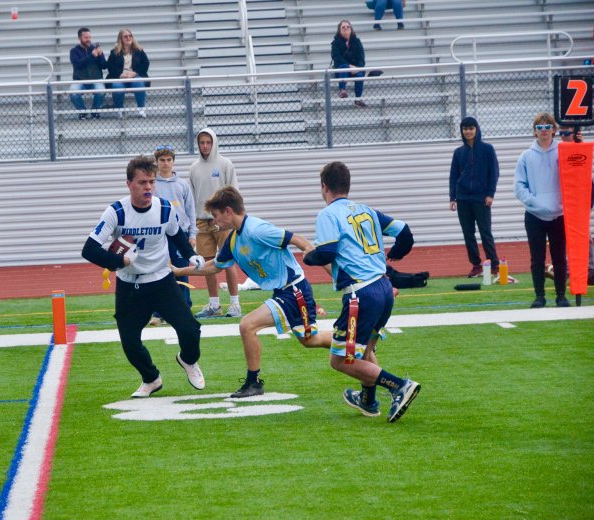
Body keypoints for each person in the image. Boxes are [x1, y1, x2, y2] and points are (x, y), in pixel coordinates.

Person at [172, 186, 331, 399]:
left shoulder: (257, 229)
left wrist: (330, 271)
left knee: (247, 325)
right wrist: (178, 271)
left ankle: (253, 382)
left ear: (228, 211)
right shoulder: (233, 239)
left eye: (216, 216)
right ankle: (355, 342)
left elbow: (298, 240)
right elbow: (214, 267)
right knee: (310, 340)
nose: (214, 222)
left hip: (294, 291)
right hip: (284, 292)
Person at [303, 161, 420, 423]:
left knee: (341, 360)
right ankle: (368, 400)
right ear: (347, 184)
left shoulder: (328, 214)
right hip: (384, 287)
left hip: (361, 294)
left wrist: (308, 256)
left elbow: (328, 252)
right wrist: (396, 255)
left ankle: (400, 385)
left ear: (324, 187)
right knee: (366, 349)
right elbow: (405, 232)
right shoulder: (367, 210)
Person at [81, 155, 206, 398]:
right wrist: (119, 261)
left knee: (190, 329)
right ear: (129, 184)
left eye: (151, 182)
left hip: (161, 280)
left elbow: (177, 235)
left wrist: (191, 255)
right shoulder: (116, 212)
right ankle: (151, 378)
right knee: (129, 342)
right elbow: (89, 249)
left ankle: (188, 360)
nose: (148, 187)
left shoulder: (165, 209)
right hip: (129, 285)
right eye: (142, 182)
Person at [514, 112, 569, 308]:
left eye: (548, 127)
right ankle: (539, 296)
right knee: (537, 258)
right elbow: (519, 187)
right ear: (535, 131)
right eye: (540, 128)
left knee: (559, 257)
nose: (544, 131)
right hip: (534, 215)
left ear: (554, 130)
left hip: (559, 215)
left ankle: (561, 296)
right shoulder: (526, 156)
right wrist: (535, 203)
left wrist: (561, 203)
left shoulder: (564, 151)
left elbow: (575, 177)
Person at [188, 128, 242, 318]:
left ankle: (235, 304)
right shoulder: (194, 168)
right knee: (207, 263)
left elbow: (234, 193)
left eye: (208, 142)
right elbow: (193, 197)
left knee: (227, 262)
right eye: (201, 142)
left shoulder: (225, 164)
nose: (205, 146)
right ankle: (214, 305)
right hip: (202, 222)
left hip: (224, 221)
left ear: (214, 143)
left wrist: (231, 219)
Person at [149, 144, 197, 326]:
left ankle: (184, 308)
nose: (166, 163)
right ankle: (158, 312)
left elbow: (191, 211)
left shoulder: (182, 185)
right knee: (158, 271)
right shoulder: (152, 184)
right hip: (159, 235)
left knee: (182, 271)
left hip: (181, 235)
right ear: (157, 162)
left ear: (174, 162)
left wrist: (192, 234)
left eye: (169, 160)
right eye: (162, 160)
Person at [449, 116, 501, 278]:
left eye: (471, 128)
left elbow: (494, 173)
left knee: (485, 232)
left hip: (481, 198)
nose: (468, 131)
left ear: (476, 130)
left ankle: (494, 264)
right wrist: (453, 197)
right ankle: (476, 265)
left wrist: (490, 194)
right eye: (465, 129)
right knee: (468, 233)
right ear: (462, 131)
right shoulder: (458, 153)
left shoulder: (487, 149)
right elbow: (453, 176)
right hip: (463, 199)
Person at [557, 125, 594, 286]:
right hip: (563, 198)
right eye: (561, 133)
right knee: (563, 234)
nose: (564, 136)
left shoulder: (581, 148)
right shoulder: (558, 150)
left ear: (575, 134)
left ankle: (590, 268)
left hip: (580, 197)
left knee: (583, 234)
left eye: (567, 133)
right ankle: (566, 268)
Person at [106, 28, 150, 118]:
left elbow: (146, 64)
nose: (128, 38)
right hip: (120, 78)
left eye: (130, 36)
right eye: (125, 36)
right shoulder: (114, 52)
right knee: (116, 86)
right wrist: (120, 74)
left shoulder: (139, 51)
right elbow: (110, 67)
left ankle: (141, 110)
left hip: (134, 77)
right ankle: (120, 111)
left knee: (139, 82)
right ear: (121, 39)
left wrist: (135, 73)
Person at [69, 27, 107, 120]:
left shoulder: (94, 49)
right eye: (86, 37)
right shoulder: (74, 51)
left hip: (96, 79)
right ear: (79, 38)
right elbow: (78, 64)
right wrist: (92, 56)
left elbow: (104, 66)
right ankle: (83, 112)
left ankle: (95, 112)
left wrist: (101, 55)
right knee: (73, 92)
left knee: (101, 91)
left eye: (89, 37)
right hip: (80, 80)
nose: (88, 40)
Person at [331, 20, 367, 108]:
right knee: (343, 67)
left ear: (351, 29)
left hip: (355, 69)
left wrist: (357, 68)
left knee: (359, 75)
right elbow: (336, 58)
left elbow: (361, 58)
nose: (346, 28)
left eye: (348, 27)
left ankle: (358, 99)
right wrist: (349, 66)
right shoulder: (335, 43)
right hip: (342, 69)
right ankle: (342, 90)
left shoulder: (357, 41)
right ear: (339, 30)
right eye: (343, 27)